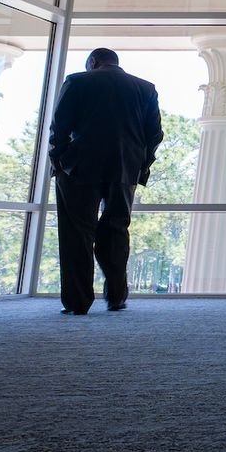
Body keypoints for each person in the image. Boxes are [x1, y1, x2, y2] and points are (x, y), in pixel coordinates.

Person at [47, 47, 163, 315]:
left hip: (79, 168)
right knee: (116, 231)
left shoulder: (77, 81)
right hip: (124, 169)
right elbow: (155, 134)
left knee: (77, 234)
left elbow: (59, 128)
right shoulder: (145, 88)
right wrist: (139, 165)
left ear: (93, 62)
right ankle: (117, 296)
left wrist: (59, 162)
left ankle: (78, 302)